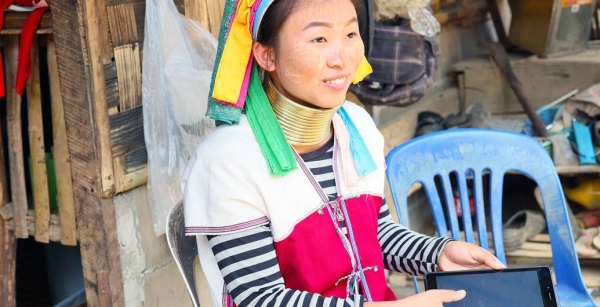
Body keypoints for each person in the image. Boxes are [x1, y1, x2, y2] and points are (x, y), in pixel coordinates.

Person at [182, 0, 506, 307]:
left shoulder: (357, 128)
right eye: (319, 38)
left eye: (351, 34)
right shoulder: (229, 161)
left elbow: (374, 235)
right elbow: (262, 298)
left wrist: (437, 253)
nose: (342, 58)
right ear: (267, 56)